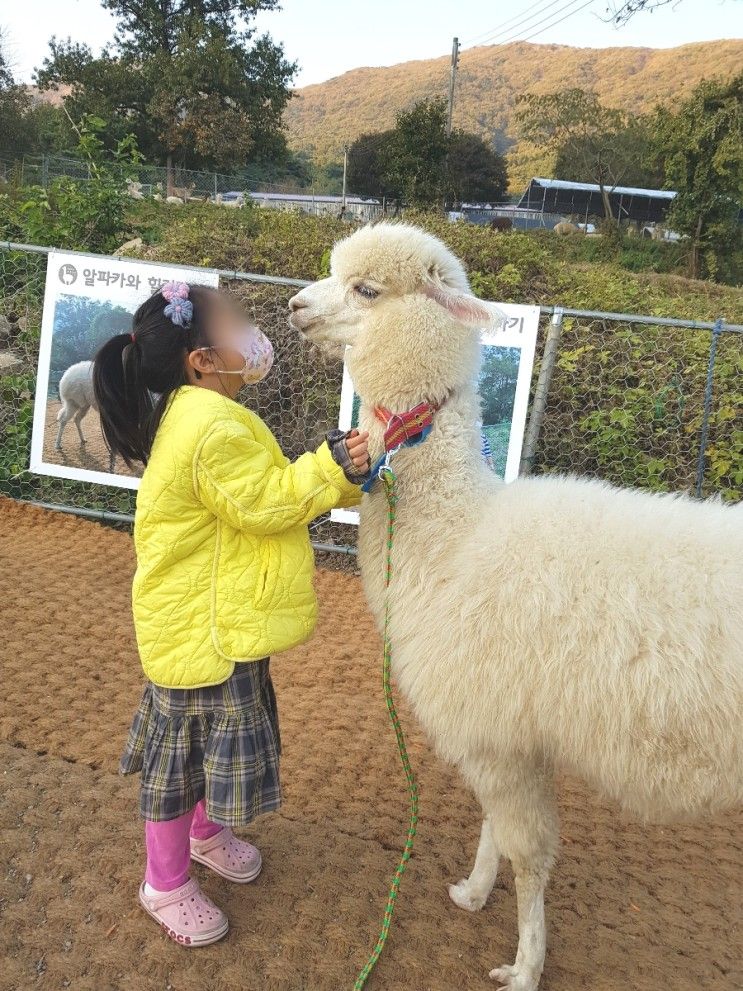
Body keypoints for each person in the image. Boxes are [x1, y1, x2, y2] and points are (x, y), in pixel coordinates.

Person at [93, 281, 370, 946]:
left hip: (218, 620)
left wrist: (327, 466)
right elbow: (268, 502)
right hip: (201, 631)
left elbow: (258, 495)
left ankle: (205, 832)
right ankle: (164, 883)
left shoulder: (206, 414)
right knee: (180, 761)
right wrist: (330, 468)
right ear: (202, 360)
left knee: (206, 748)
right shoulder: (209, 426)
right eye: (237, 321)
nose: (252, 330)